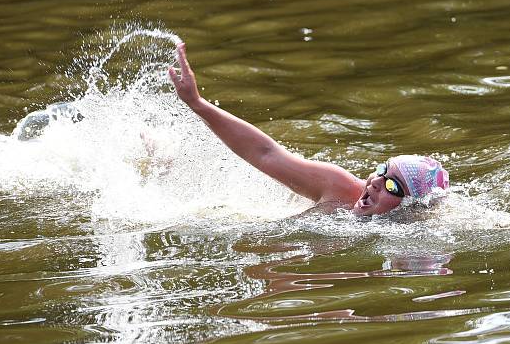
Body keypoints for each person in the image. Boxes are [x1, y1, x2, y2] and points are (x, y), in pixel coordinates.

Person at [168, 43, 449, 216]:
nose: (375, 181)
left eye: (392, 185)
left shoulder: (409, 235)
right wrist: (198, 104)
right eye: (381, 170)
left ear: (412, 207)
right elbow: (266, 153)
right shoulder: (339, 188)